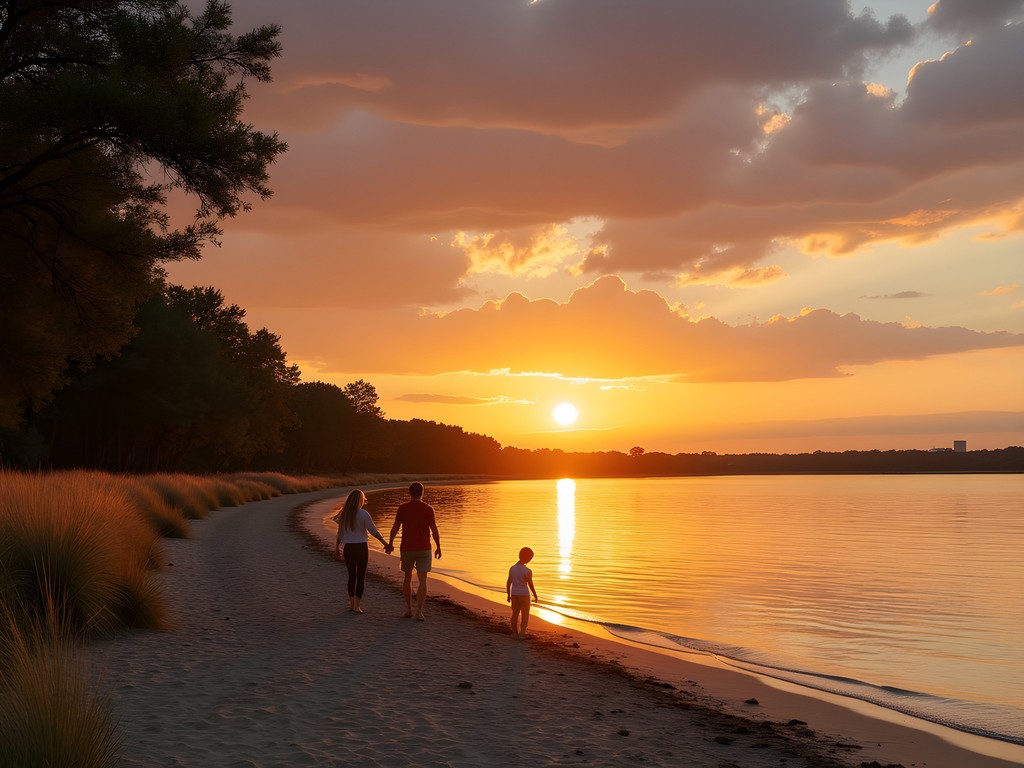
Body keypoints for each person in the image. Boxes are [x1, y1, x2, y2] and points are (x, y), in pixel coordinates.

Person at [387, 482, 441, 620]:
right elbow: (434, 530)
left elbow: (395, 527)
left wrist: (390, 543)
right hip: (424, 548)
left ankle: (409, 609)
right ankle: (419, 611)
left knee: (407, 578)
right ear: (422, 493)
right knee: (423, 580)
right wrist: (438, 546)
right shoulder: (428, 509)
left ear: (409, 492)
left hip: (407, 548)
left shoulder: (403, 508)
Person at [333, 489, 392, 613]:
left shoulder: (344, 515)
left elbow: (340, 533)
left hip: (348, 548)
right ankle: (357, 606)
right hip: (361, 548)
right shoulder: (364, 514)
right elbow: (374, 531)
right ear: (361, 500)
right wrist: (385, 543)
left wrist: (337, 547)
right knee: (360, 577)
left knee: (351, 576)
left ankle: (351, 604)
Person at [506, 547, 539, 639]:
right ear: (528, 558)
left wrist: (508, 595)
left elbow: (509, 582)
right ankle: (522, 633)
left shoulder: (512, 568)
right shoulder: (527, 571)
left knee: (515, 614)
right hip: (524, 594)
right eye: (530, 558)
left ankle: (515, 633)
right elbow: (530, 584)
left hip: (514, 594)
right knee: (525, 614)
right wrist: (535, 595)